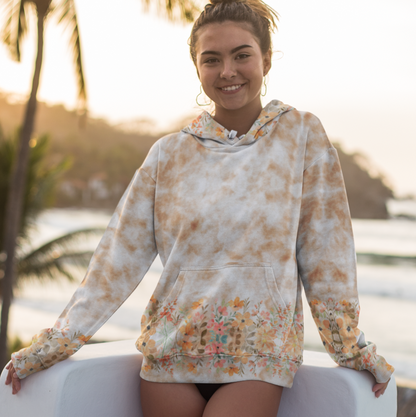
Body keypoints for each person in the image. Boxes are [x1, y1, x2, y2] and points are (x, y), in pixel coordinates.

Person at [5, 0, 394, 415]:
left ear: (265, 58)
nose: (227, 70)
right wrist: (58, 342)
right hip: (169, 353)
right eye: (212, 59)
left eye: (241, 55)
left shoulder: (301, 136)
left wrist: (348, 346)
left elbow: (326, 251)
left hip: (257, 355)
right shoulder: (167, 154)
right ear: (197, 67)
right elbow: (116, 258)